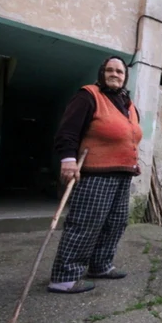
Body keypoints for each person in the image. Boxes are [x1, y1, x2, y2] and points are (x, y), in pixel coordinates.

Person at [48, 55, 143, 294]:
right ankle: (65, 276)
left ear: (125, 77)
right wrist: (68, 159)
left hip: (123, 173)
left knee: (116, 222)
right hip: (96, 173)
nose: (115, 75)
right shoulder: (88, 96)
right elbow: (68, 130)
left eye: (119, 72)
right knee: (86, 223)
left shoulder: (127, 104)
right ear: (102, 73)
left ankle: (100, 265)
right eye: (110, 70)